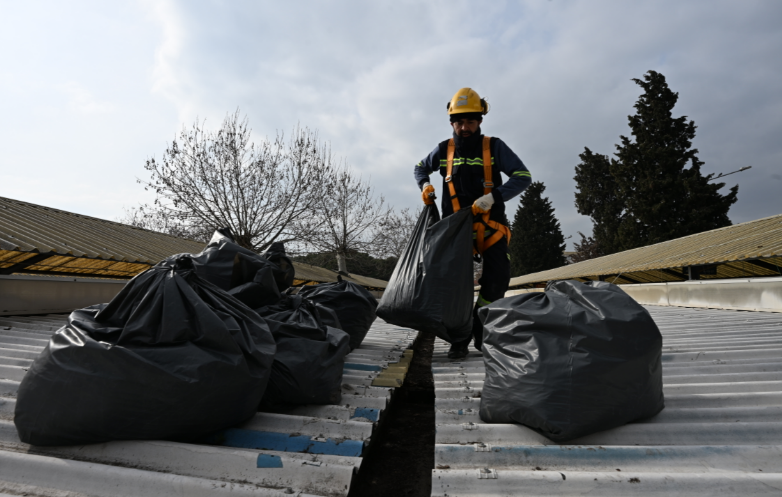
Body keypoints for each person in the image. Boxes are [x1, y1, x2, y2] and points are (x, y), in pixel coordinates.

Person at [414, 88, 532, 359]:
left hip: (490, 225)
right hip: (456, 227)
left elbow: (523, 176)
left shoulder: (494, 146)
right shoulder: (444, 149)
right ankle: (459, 340)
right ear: (451, 121)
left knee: (498, 278)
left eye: (470, 121)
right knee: (456, 285)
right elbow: (420, 167)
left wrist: (493, 198)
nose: (464, 127)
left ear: (480, 120)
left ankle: (481, 330)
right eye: (458, 121)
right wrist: (426, 184)